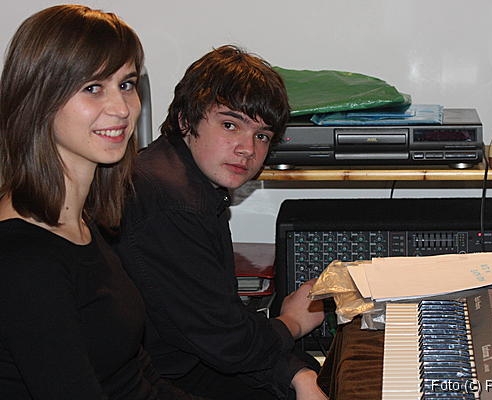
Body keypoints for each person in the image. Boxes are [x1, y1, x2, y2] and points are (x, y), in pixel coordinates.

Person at [0, 5, 204, 399]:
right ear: (38, 99)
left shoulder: (81, 223)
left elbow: (135, 376)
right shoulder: (22, 259)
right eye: (93, 87)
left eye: (126, 84)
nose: (122, 109)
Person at [115, 45, 327, 400]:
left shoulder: (183, 180)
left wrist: (295, 371)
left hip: (187, 362)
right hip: (156, 381)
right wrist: (292, 322)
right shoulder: (173, 203)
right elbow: (227, 344)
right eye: (230, 125)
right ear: (185, 120)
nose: (248, 149)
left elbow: (220, 322)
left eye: (262, 136)